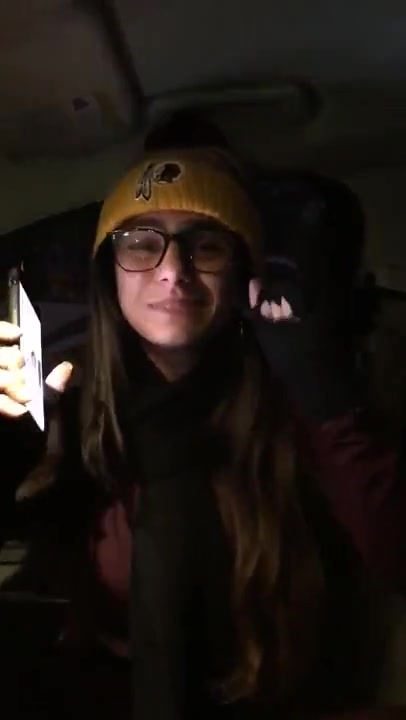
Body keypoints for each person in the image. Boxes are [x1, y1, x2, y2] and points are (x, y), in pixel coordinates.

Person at [0, 143, 404, 720]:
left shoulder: (294, 405)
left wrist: (327, 396)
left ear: (242, 271)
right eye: (141, 243)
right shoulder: (65, 402)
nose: (173, 269)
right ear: (109, 273)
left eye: (206, 244)